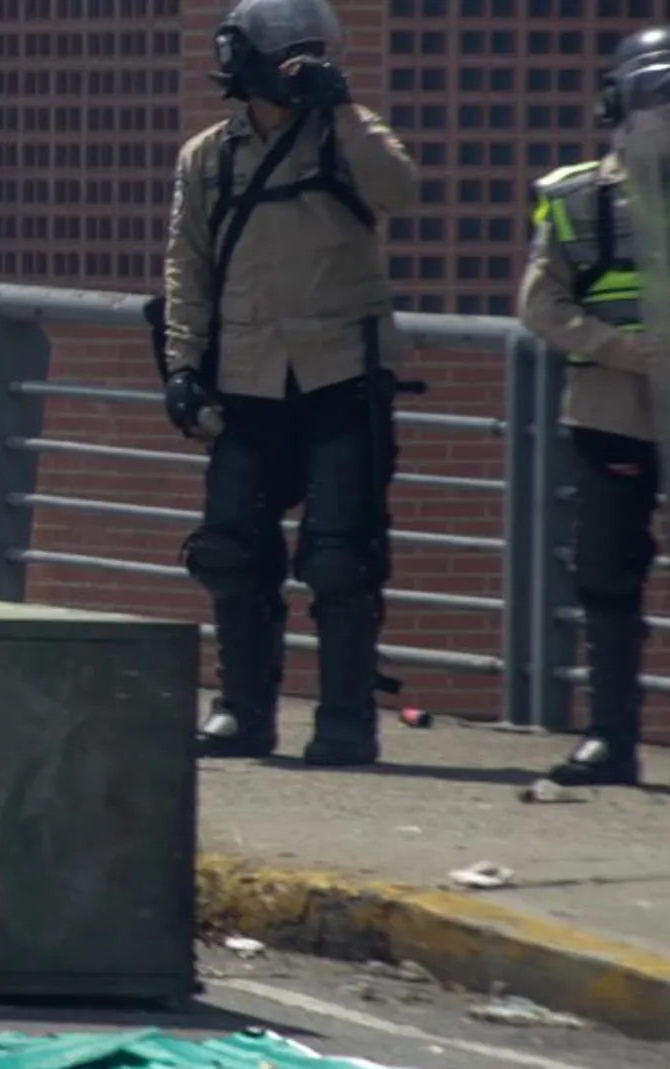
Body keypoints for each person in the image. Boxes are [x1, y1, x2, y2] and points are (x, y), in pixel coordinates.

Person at [159, 0, 418, 766]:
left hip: (342, 376)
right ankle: (243, 710)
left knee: (342, 555)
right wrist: (181, 363)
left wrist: (341, 111)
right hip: (246, 379)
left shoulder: (348, 132)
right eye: (290, 55)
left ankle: (345, 720)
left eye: (314, 55)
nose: (302, 68)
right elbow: (187, 266)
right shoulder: (208, 157)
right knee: (231, 550)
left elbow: (399, 189)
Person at [520, 25, 670, 797]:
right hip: (611, 408)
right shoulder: (575, 198)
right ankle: (611, 735)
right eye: (659, 97)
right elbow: (540, 304)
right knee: (604, 572)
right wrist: (622, 348)